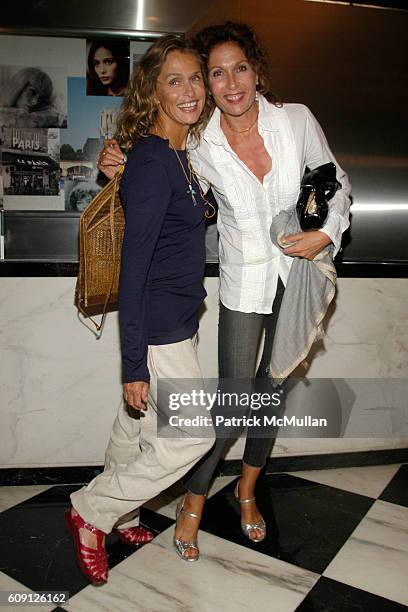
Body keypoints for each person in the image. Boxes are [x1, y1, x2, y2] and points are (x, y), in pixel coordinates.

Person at [98, 21, 351, 561]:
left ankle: (246, 490)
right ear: (207, 84)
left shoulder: (296, 121)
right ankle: (193, 501)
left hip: (299, 281)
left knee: (271, 395)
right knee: (231, 402)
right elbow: (151, 150)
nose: (229, 82)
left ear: (256, 70)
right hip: (243, 285)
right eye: (216, 73)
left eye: (239, 67)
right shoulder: (200, 139)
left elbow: (336, 179)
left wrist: (326, 232)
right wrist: (113, 158)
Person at [66, 34, 216, 584]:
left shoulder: (177, 156)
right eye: (174, 80)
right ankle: (92, 510)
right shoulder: (155, 160)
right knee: (194, 436)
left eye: (196, 77)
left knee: (143, 427)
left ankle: (124, 509)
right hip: (160, 326)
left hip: (178, 319)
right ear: (153, 92)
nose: (191, 90)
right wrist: (133, 363)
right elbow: (134, 270)